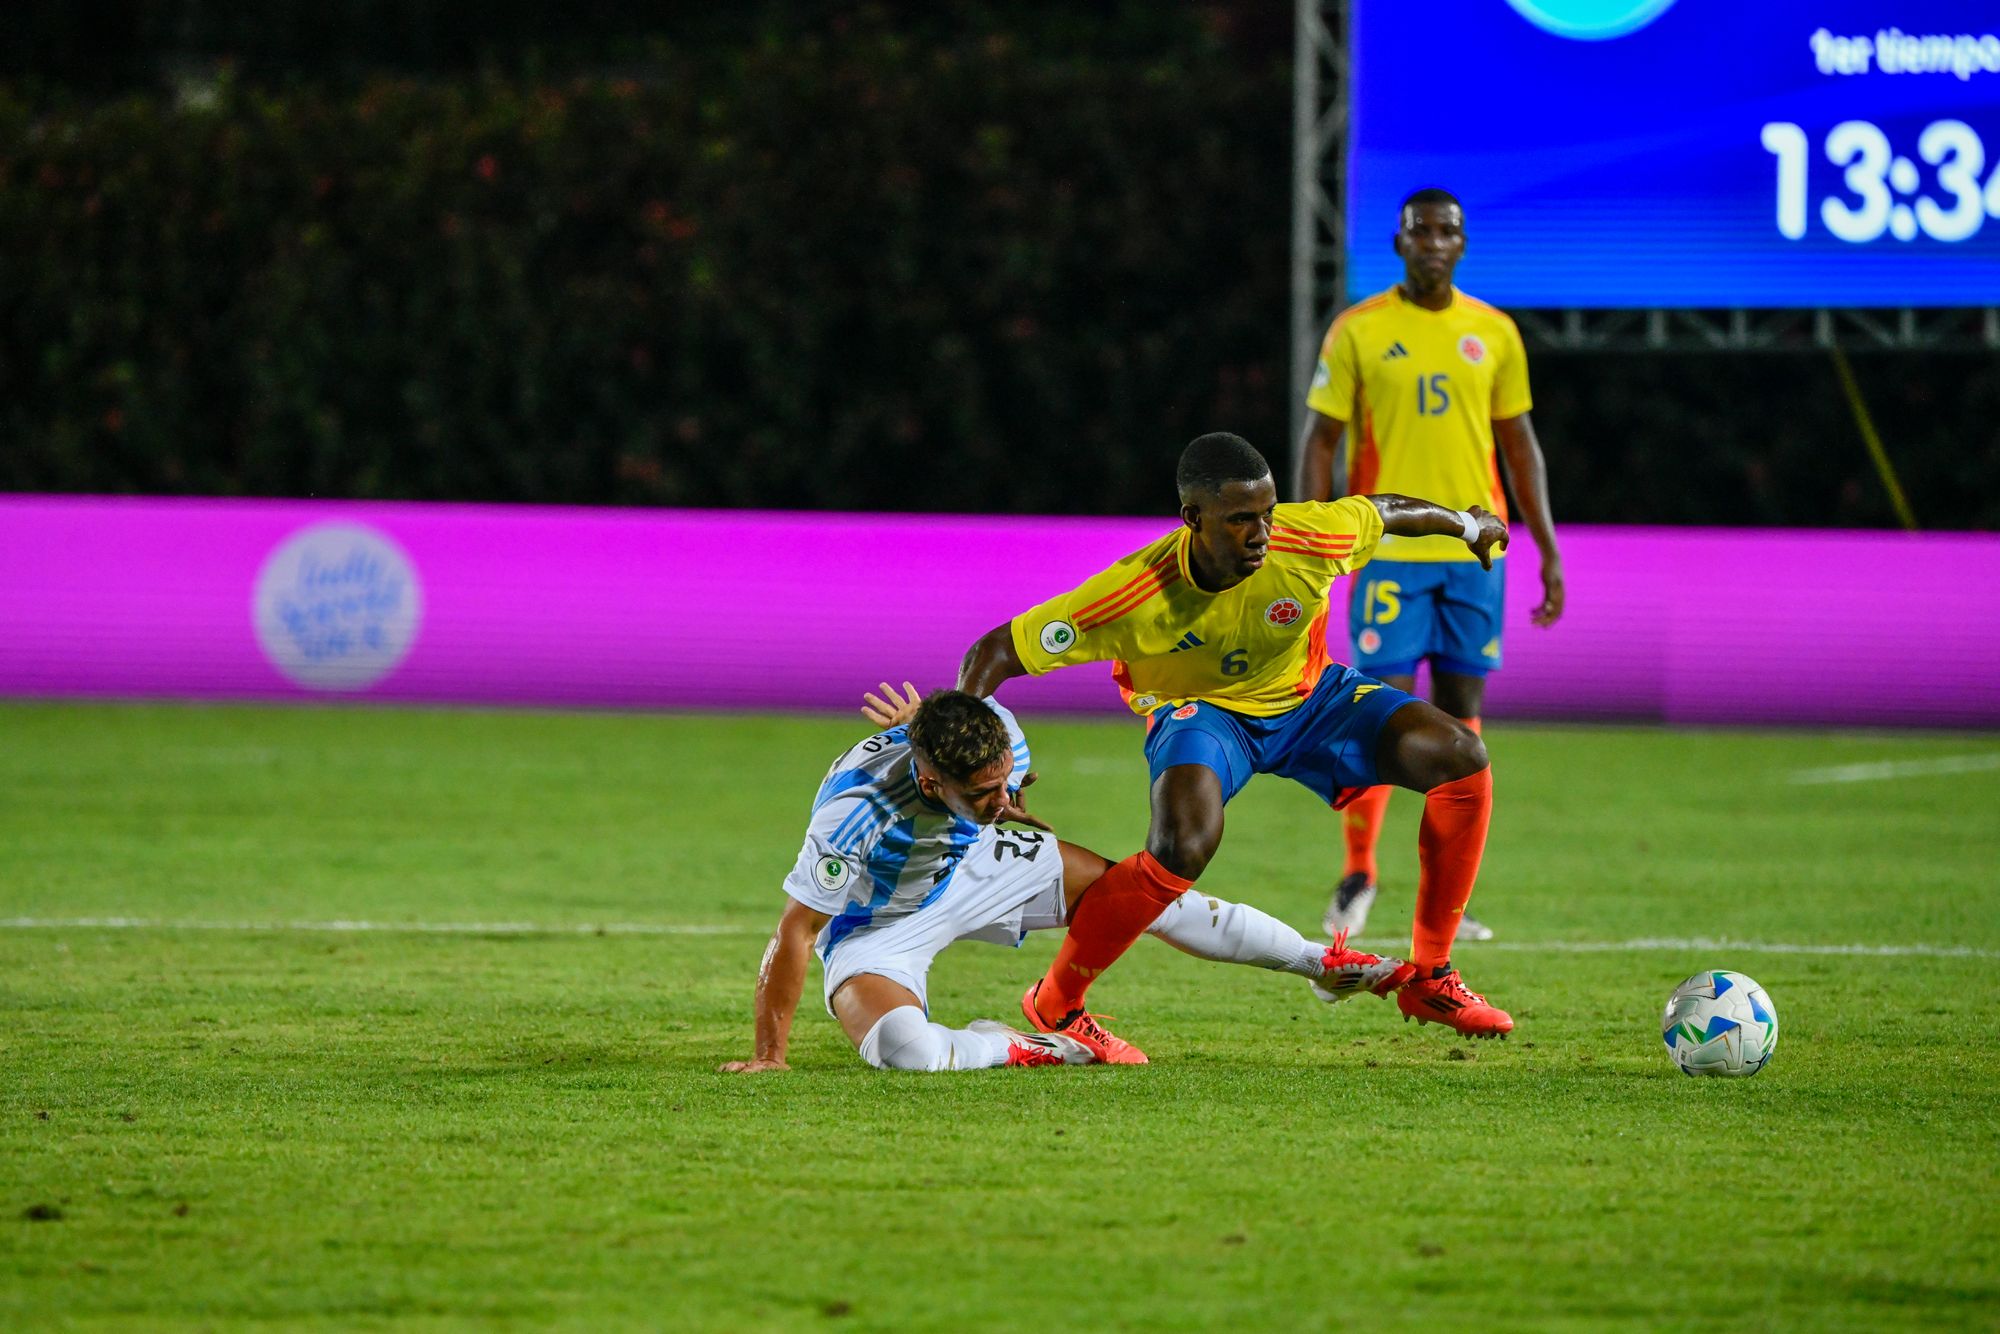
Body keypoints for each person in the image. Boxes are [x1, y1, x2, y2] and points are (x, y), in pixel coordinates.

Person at [957, 431, 1515, 1054]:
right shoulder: (1133, 593)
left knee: (1462, 761)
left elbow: (1385, 510)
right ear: (1193, 518)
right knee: (1181, 846)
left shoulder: (1309, 536)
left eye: (1267, 515)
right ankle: (1056, 1000)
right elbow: (995, 652)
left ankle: (1431, 977)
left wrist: (1468, 526)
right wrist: (981, 757)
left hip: (1312, 700)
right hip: (1204, 714)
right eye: (1241, 520)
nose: (1261, 533)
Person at [718, 686, 1402, 1074]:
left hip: (973, 867)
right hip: (878, 924)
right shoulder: (855, 812)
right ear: (929, 781)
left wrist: (1000, 806)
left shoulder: (1000, 736)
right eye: (980, 790)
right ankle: (1035, 1043)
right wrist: (768, 1056)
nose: (1000, 794)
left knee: (1140, 895)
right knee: (907, 1054)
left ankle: (1322, 964)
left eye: (1001, 782)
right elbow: (797, 928)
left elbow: (997, 781)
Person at [1295, 186, 1564, 943]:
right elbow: (1321, 440)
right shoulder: (1359, 330)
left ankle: (1449, 895)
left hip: (1478, 553)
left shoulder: (1495, 333)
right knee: (1380, 707)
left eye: (1447, 231)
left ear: (1463, 243)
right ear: (1399, 242)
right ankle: (1359, 874)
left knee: (1460, 714)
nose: (1434, 242)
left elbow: (1519, 447)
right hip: (1389, 551)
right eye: (1421, 231)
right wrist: (1316, 538)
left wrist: (1545, 544)